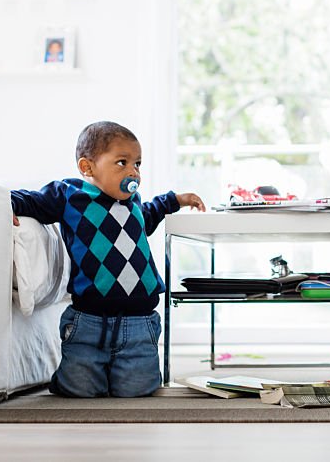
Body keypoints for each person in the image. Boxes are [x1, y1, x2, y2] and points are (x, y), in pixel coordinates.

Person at [11, 121, 206, 397]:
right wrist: (3, 205)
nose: (133, 173)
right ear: (87, 167)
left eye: (137, 164)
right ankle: (82, 375)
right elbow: (29, 200)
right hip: (89, 319)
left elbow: (148, 216)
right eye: (122, 163)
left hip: (139, 320)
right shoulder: (70, 195)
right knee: (79, 388)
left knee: (138, 389)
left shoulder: (133, 201)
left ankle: (118, 374)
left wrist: (175, 199)